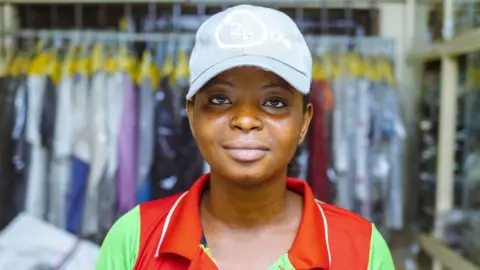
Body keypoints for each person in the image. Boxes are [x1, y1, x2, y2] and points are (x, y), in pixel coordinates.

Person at [96, 5, 395, 270]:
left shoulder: (361, 249)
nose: (246, 120)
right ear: (192, 115)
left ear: (304, 122)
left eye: (274, 102)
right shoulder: (136, 238)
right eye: (220, 100)